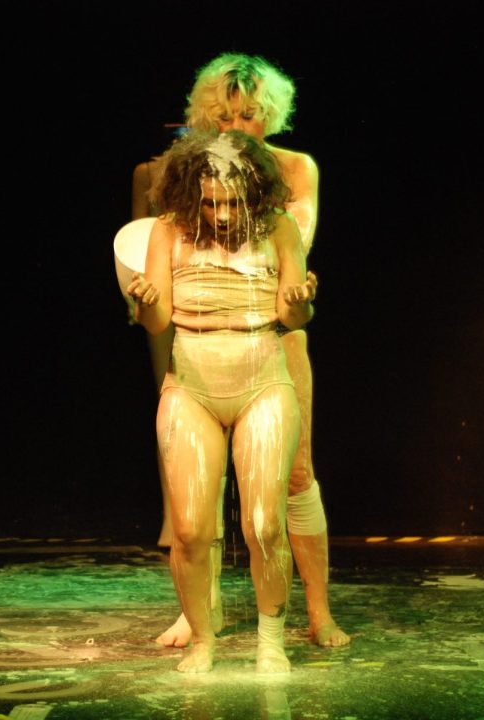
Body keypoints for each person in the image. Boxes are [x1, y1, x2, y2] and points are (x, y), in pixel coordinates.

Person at [135, 53, 348, 648]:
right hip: (203, 339)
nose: (237, 126)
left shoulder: (293, 168)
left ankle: (319, 611)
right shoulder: (193, 172)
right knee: (199, 484)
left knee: (293, 475)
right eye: (224, 116)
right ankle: (202, 610)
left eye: (249, 115)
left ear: (269, 115)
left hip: (273, 333)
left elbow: (294, 240)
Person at [128, 130, 313, 672]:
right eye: (211, 203)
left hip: (262, 380)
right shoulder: (168, 230)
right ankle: (203, 642)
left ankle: (270, 642)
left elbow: (291, 316)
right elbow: (158, 321)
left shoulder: (279, 228)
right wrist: (147, 302)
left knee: (264, 524)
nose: (224, 214)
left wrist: (302, 302)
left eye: (233, 202)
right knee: (189, 529)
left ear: (253, 192)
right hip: (192, 384)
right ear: (193, 194)